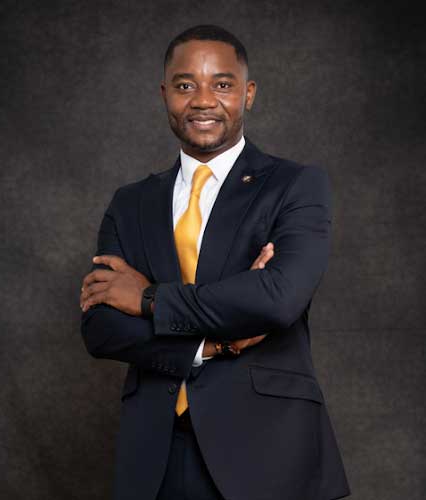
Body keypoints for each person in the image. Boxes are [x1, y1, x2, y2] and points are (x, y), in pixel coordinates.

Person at [80, 24, 351, 500]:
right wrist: (213, 345)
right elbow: (101, 328)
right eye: (186, 85)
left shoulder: (295, 185)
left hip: (267, 448)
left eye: (222, 84)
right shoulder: (131, 202)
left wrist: (147, 298)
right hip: (155, 454)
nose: (203, 100)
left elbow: (276, 299)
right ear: (165, 95)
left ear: (248, 93)